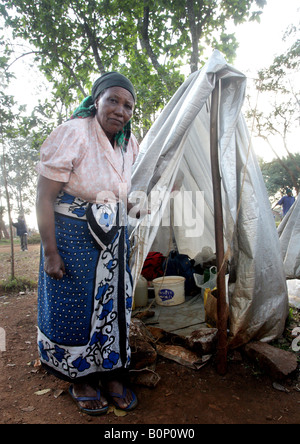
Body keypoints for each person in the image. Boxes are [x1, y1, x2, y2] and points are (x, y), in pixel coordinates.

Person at [36, 72, 140, 416]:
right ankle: (80, 378)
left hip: (114, 238)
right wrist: (51, 252)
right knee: (76, 306)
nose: (119, 110)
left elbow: (124, 195)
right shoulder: (73, 133)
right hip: (71, 236)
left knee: (113, 308)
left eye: (127, 105)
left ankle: (111, 373)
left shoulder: (129, 144)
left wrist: (141, 202)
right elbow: (44, 197)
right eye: (112, 100)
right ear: (96, 100)